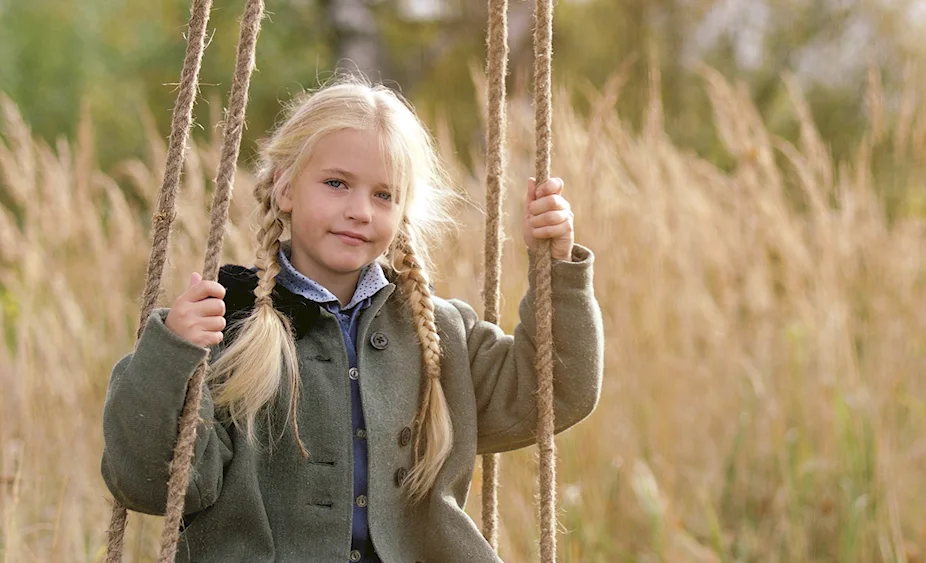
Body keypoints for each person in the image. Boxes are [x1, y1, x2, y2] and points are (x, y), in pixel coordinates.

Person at [101, 76, 604, 563]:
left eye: (383, 195)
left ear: (403, 211)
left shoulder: (439, 333)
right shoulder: (227, 326)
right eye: (337, 183)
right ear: (285, 188)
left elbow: (554, 392)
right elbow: (150, 485)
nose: (360, 210)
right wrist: (172, 354)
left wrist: (556, 269)